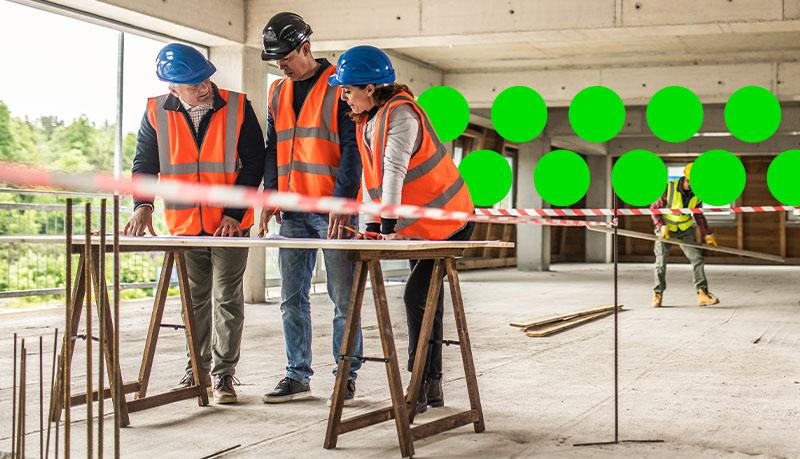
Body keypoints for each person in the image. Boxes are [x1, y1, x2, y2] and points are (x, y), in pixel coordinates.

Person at [329, 45, 475, 414]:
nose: (344, 96)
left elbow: (394, 170)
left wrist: (388, 225)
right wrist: (374, 225)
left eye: (348, 89)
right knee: (427, 300)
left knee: (415, 296)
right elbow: (373, 179)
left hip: (449, 222)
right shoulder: (369, 120)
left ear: (370, 88)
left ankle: (419, 384)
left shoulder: (401, 115)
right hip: (424, 226)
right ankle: (432, 384)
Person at [124, 43, 265, 404]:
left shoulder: (237, 106)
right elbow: (144, 164)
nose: (204, 88)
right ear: (173, 89)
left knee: (226, 298)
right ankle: (196, 372)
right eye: (193, 85)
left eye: (205, 80)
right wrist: (143, 205)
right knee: (194, 302)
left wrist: (234, 214)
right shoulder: (155, 112)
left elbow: (254, 163)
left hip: (230, 225)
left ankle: (223, 376)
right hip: (185, 225)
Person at [258, 12, 364, 406]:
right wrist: (271, 196)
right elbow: (273, 148)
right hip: (292, 212)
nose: (281, 66)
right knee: (291, 298)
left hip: (333, 212)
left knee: (343, 298)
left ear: (306, 48)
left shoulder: (340, 85)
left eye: (286, 57)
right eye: (275, 60)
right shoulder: (277, 92)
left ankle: (345, 374)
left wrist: (342, 200)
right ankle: (296, 375)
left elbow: (353, 149)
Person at [651, 162, 720, 308]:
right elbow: (654, 209)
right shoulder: (668, 188)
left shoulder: (698, 193)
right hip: (666, 230)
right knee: (660, 262)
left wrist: (707, 234)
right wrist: (661, 226)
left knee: (697, 259)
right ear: (686, 179)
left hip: (685, 230)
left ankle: (702, 294)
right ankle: (657, 294)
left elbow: (699, 215)